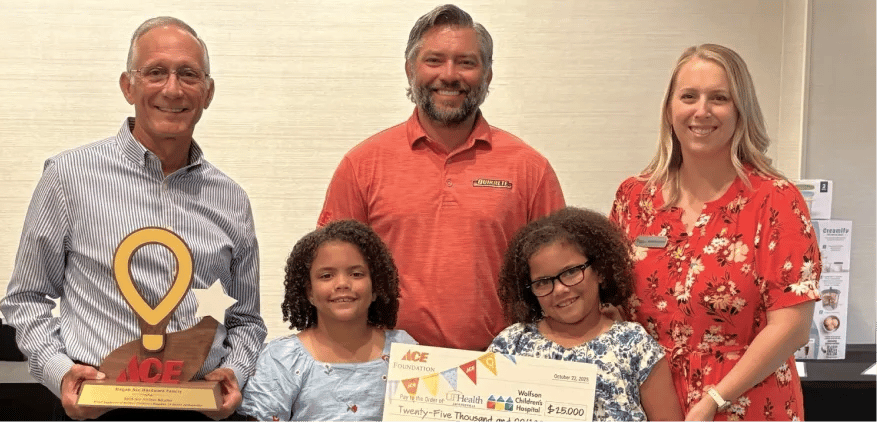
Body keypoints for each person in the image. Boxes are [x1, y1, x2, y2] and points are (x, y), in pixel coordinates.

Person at [0, 17, 266, 421]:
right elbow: (25, 299)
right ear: (129, 86)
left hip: (198, 410)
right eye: (156, 72)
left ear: (207, 93)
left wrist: (235, 372)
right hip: (98, 411)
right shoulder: (68, 177)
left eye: (189, 75)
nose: (172, 89)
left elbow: (247, 320)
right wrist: (60, 373)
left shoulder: (231, 199)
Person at [317, 4, 565, 351]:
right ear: (409, 70)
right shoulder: (361, 166)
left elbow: (561, 283)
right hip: (385, 372)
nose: (449, 75)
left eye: (466, 62)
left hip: (498, 374)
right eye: (434, 60)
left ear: (488, 75)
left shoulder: (529, 169)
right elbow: (329, 278)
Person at [609, 44, 821, 421]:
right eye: (688, 96)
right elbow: (610, 301)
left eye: (718, 98)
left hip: (746, 401)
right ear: (670, 108)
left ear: (741, 110)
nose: (701, 111)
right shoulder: (634, 197)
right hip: (651, 402)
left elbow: (792, 327)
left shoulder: (775, 200)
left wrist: (713, 402)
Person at [488, 207, 683, 422]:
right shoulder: (511, 345)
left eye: (571, 272)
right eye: (543, 282)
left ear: (599, 270)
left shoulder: (635, 345)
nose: (560, 289)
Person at [239, 220, 417, 421]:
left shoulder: (405, 352)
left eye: (356, 274)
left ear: (376, 287)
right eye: (326, 275)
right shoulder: (282, 359)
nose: (342, 284)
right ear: (309, 292)